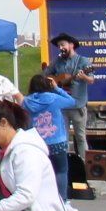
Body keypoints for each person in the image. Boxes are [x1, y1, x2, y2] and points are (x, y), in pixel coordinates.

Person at [41, 32, 93, 172]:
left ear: (71, 45)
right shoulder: (57, 62)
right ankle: (63, 167)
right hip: (61, 106)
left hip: (77, 105)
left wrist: (84, 77)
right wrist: (53, 80)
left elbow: (92, 79)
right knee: (61, 136)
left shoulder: (83, 61)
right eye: (59, 46)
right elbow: (44, 75)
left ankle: (85, 167)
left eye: (63, 45)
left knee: (80, 137)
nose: (61, 48)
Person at [21, 76, 74, 200]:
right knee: (61, 171)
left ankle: (41, 199)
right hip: (57, 141)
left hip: (37, 142)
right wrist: (57, 88)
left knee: (39, 172)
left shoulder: (27, 101)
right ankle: (62, 200)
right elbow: (71, 101)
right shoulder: (54, 98)